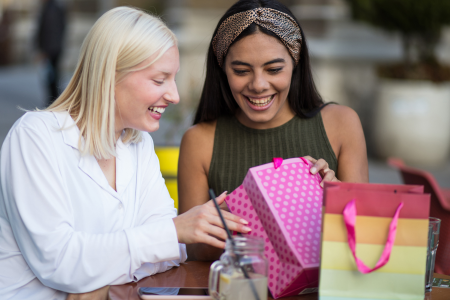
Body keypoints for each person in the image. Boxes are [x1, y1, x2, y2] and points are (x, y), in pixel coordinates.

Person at [0, 7, 249, 300]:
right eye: (159, 80)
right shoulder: (35, 137)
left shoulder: (137, 143)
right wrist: (169, 234)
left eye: (173, 78)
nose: (175, 95)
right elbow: (61, 263)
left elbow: (172, 253)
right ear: (109, 75)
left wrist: (95, 286)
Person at [178, 0, 369, 261]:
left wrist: (337, 202)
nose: (258, 85)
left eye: (274, 69)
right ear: (223, 70)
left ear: (296, 63)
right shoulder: (199, 140)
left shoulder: (342, 124)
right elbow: (196, 254)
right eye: (241, 71)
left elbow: (365, 240)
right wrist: (232, 218)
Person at [35, 0, 67, 106]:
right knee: (53, 77)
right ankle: (54, 100)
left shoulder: (50, 9)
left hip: (50, 49)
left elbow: (47, 31)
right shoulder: (57, 7)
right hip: (56, 48)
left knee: (51, 78)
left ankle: (53, 101)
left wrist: (43, 50)